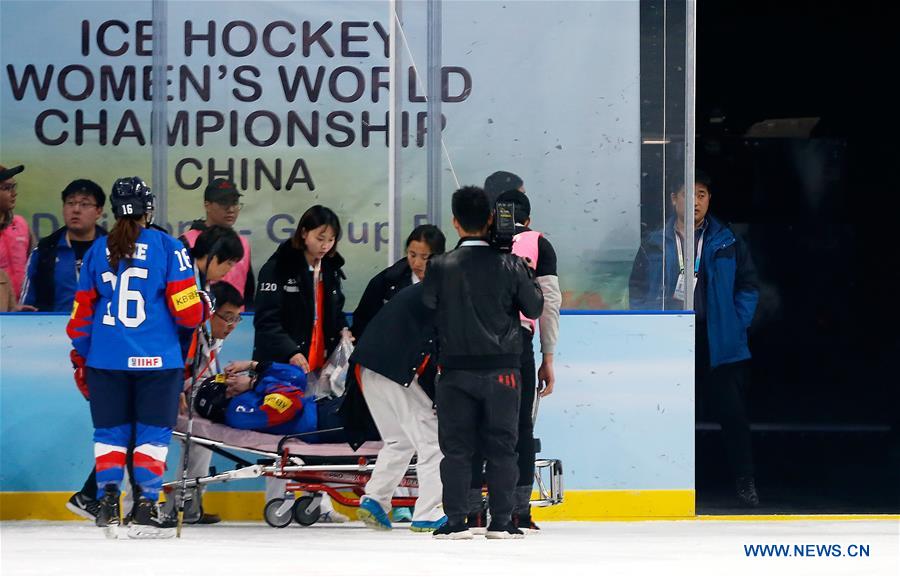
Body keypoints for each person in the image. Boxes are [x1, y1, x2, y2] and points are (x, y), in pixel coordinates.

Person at [67, 176, 207, 539]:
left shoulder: (98, 250)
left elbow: (81, 316)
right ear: (150, 209)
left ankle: (109, 503)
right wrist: (204, 304)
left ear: (112, 210)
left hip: (106, 361)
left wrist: (82, 357)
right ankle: (146, 505)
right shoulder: (169, 247)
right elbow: (188, 313)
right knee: (151, 436)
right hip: (158, 363)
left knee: (110, 434)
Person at [629, 171, 760, 506]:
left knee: (733, 414)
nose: (696, 201)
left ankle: (745, 482)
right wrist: (651, 326)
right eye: (689, 194)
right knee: (664, 412)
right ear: (674, 199)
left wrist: (736, 323)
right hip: (671, 339)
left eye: (702, 194)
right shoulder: (656, 241)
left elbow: (748, 286)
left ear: (709, 200)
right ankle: (657, 482)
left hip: (719, 340)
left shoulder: (728, 239)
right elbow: (638, 289)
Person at [66, 280, 243, 525]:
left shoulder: (205, 334)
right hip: (116, 376)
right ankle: (127, 506)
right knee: (129, 436)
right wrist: (175, 387)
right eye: (227, 317)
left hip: (135, 380)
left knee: (127, 437)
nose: (232, 325)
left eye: (237, 319)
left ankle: (177, 502)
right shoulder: (184, 328)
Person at [422, 185, 544, 539]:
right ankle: (502, 521)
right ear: (492, 219)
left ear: (455, 223)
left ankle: (458, 520)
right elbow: (534, 308)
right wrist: (522, 270)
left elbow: (428, 307)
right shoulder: (511, 263)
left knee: (457, 448)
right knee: (503, 446)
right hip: (503, 369)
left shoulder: (439, 266)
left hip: (455, 370)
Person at [468, 186, 562, 533]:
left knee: (476, 422)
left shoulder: (477, 244)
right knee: (519, 425)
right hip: (517, 342)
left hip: (474, 342)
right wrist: (548, 357)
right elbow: (549, 305)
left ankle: (473, 508)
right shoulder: (539, 244)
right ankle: (518, 511)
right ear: (529, 219)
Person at [351, 282, 446, 533]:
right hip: (397, 370)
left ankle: (375, 499)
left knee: (398, 440)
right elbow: (435, 347)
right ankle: (427, 513)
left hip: (367, 366)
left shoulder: (421, 291)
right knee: (433, 442)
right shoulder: (447, 293)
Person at [253, 205, 351, 371]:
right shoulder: (278, 268)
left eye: (331, 239)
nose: (325, 246)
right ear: (304, 233)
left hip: (321, 363)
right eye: (320, 239)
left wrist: (343, 330)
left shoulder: (330, 270)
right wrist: (291, 351)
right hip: (284, 363)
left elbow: (336, 310)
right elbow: (266, 321)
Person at [21, 179, 106, 311]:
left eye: (84, 204)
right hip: (51, 329)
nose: (76, 210)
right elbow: (27, 305)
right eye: (70, 203)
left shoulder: (113, 250)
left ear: (99, 211)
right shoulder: (45, 251)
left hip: (101, 328)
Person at [351, 224, 446, 338]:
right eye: (412, 255)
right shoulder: (387, 281)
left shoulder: (451, 284)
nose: (416, 263)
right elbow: (362, 321)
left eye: (424, 257)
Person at [180, 178, 255, 309]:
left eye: (235, 203)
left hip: (237, 324)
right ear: (207, 205)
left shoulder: (242, 244)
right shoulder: (186, 242)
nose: (231, 209)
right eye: (224, 202)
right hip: (199, 321)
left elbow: (248, 293)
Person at [0, 164, 32, 300]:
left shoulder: (21, 225)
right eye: (7, 188)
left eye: (14, 186)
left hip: (22, 314)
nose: (14, 193)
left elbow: (34, 267)